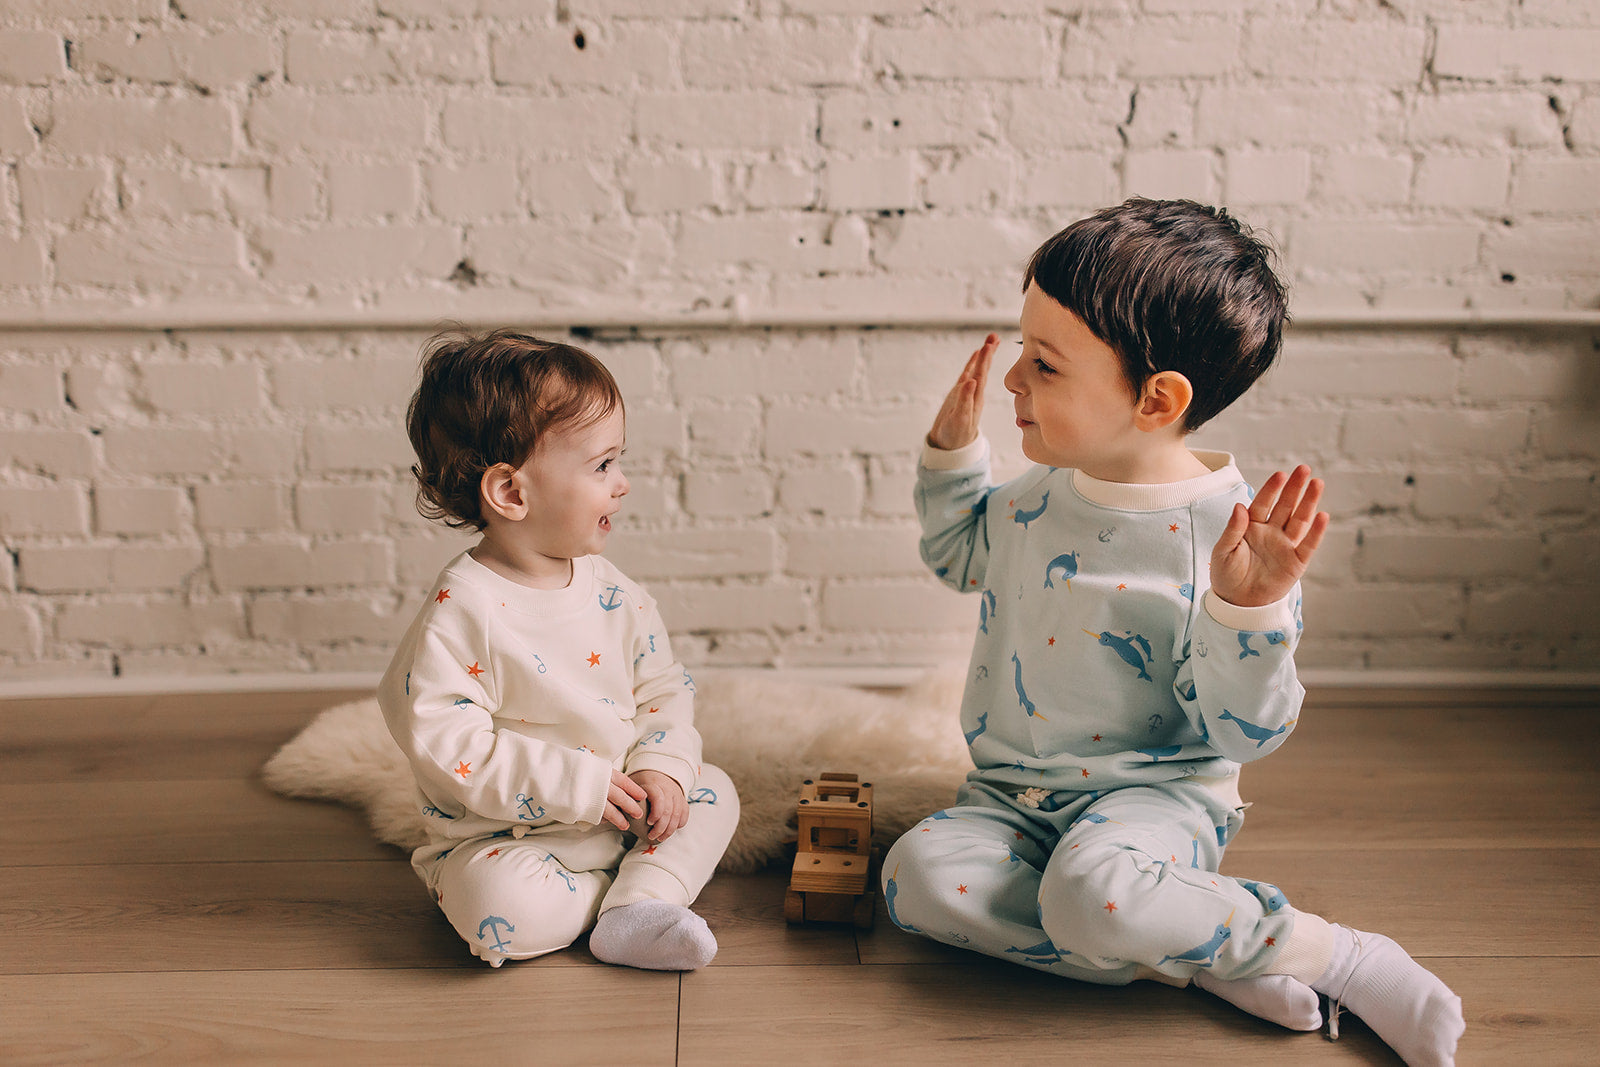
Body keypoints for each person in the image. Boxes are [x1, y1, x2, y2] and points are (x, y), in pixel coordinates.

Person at [883, 199, 1464, 1066]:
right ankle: (1194, 956)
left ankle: (1332, 953)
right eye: (1018, 351)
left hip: (1150, 804)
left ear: (1157, 399)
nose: (1011, 381)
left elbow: (1246, 732)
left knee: (1096, 892)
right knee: (915, 879)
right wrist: (951, 453)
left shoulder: (1233, 543)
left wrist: (1249, 610)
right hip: (1010, 796)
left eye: (1042, 364)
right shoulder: (1035, 498)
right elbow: (961, 555)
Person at [378, 328, 738, 970]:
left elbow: (662, 691)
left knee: (713, 790)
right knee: (500, 911)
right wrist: (578, 786)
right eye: (602, 465)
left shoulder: (616, 594)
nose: (622, 483)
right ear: (512, 493)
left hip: (626, 811)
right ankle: (633, 898)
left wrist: (661, 770)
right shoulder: (464, 608)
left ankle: (636, 907)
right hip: (507, 838)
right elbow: (448, 744)